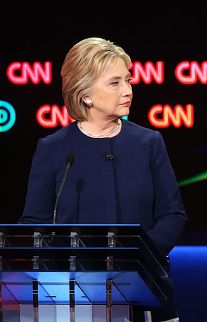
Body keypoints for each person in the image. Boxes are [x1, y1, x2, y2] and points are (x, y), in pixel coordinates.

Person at [19, 37, 187, 322]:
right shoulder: (53, 149)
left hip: (146, 292)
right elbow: (34, 225)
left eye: (128, 80)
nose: (127, 90)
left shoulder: (148, 142)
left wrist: (138, 257)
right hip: (75, 299)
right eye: (115, 83)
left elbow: (173, 215)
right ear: (85, 93)